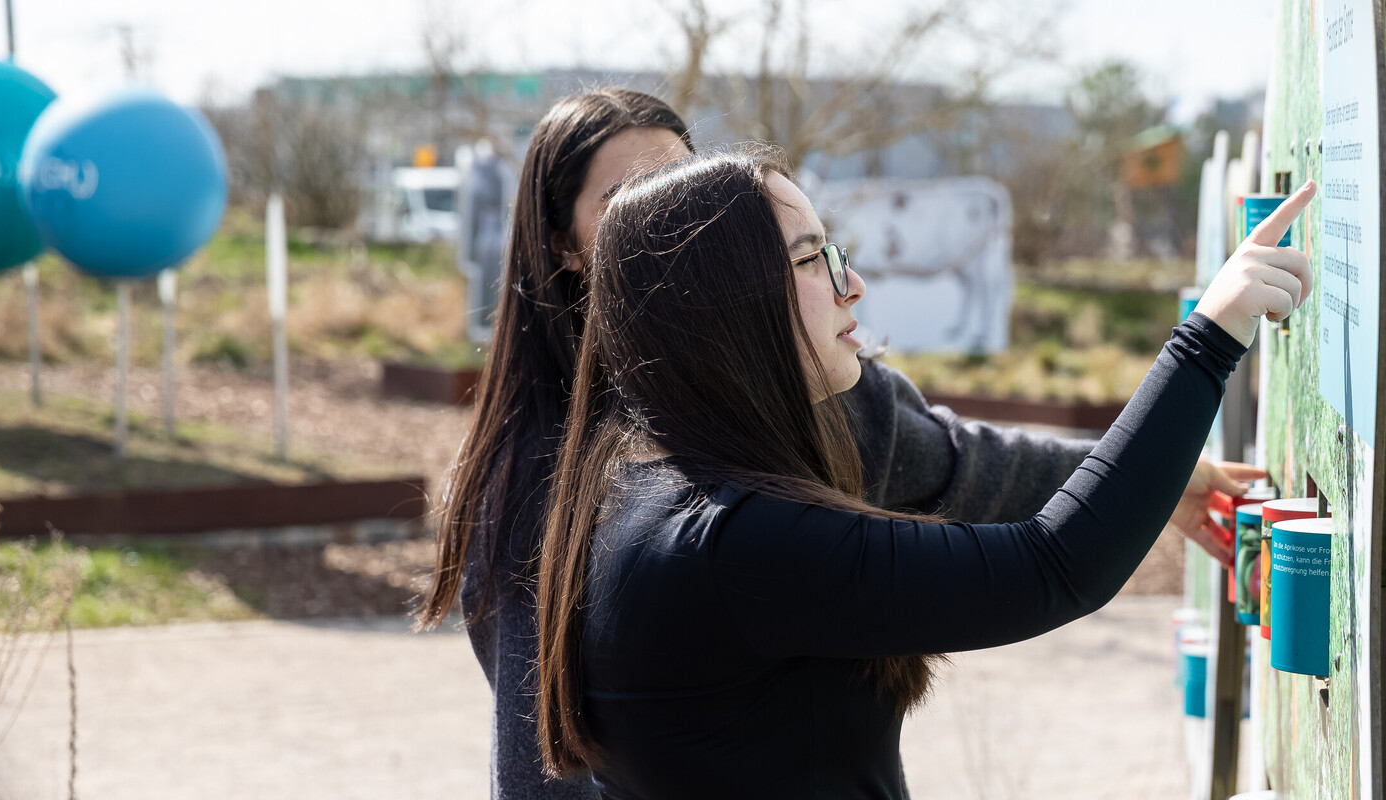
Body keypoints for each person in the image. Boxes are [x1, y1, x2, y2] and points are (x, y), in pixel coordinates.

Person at [414, 89, 1259, 798]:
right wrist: (1205, 341)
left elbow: (974, 467)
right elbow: (1053, 567)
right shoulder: (703, 527)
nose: (855, 283)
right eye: (815, 256)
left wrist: (1166, 477)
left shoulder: (643, 478)